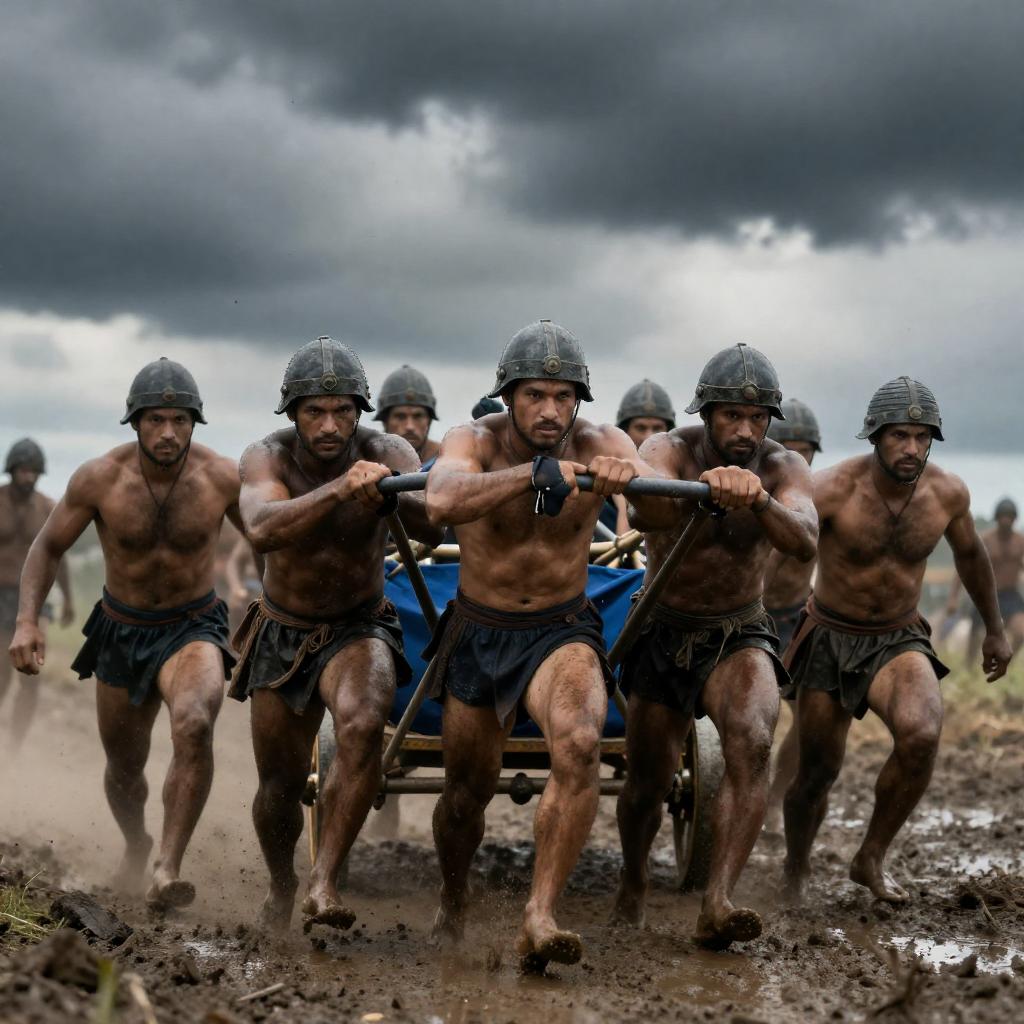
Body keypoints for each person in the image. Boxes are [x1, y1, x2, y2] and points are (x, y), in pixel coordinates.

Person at [424, 319, 653, 971]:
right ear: (509, 397)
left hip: (562, 629)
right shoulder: (472, 438)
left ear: (579, 400)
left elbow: (661, 510)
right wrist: (533, 474)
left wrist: (630, 481)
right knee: (465, 794)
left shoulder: (602, 440)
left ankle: (541, 915)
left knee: (580, 744)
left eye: (563, 396)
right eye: (534, 396)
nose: (550, 410)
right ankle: (453, 899)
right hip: (479, 630)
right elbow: (440, 500)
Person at [9, 359, 239, 909]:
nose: (168, 432)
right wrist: (27, 620)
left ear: (195, 422)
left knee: (194, 722)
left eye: (180, 420)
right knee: (124, 769)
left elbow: (271, 544)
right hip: (122, 629)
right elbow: (47, 547)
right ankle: (137, 842)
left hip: (194, 625)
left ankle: (168, 867)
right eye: (155, 419)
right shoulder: (99, 479)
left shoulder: (222, 478)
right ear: (135, 422)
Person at [231, 336, 442, 931]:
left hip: (360, 625)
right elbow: (261, 527)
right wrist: (340, 489)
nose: (329, 425)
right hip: (283, 628)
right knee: (279, 784)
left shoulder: (388, 449)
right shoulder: (265, 457)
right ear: (292, 413)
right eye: (314, 412)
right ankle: (282, 884)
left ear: (360, 411)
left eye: (342, 411)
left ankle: (324, 881)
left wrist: (391, 496)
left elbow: (433, 524)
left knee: (363, 724)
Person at [613, 343, 817, 950]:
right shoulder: (667, 449)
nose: (745, 430)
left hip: (739, 629)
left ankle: (719, 900)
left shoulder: (783, 467)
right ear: (706, 414)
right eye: (732, 416)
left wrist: (758, 499)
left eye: (757, 418)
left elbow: (804, 539)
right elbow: (645, 511)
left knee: (753, 742)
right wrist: (698, 488)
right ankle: (633, 879)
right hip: (662, 625)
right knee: (647, 783)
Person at [783, 377, 1011, 904]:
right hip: (831, 633)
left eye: (922, 436)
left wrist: (995, 629)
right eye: (899, 436)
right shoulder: (831, 488)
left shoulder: (947, 493)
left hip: (897, 636)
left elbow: (971, 556)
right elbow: (778, 551)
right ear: (875, 436)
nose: (911, 447)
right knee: (817, 772)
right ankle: (795, 869)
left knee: (922, 734)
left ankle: (871, 856)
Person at [761, 399, 822, 833]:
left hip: (798, 618)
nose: (798, 458)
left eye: (806, 450)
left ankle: (773, 801)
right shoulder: (747, 492)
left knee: (809, 719)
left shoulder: (818, 499)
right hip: (752, 618)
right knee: (752, 717)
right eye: (789, 449)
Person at [0, 439, 74, 749]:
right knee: (1, 674)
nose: (28, 476)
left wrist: (68, 599)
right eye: (23, 470)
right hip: (0, 594)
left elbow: (59, 555)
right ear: (12, 470)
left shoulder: (47, 508)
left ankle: (15, 746)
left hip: (34, 598)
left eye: (33, 471)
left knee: (30, 672)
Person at [945, 497, 1024, 660]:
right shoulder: (986, 540)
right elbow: (965, 566)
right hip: (987, 595)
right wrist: (953, 597)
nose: (1006, 520)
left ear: (1014, 518)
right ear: (997, 518)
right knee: (976, 636)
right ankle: (969, 667)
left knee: (1021, 632)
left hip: (1010, 595)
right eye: (1003, 516)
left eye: (1009, 516)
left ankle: (1005, 664)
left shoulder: (1020, 542)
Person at [607, 380, 677, 535]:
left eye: (657, 428)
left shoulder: (680, 474)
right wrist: (623, 503)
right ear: (625, 431)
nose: (649, 437)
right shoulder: (604, 480)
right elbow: (624, 545)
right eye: (640, 428)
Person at [375, 365, 440, 466]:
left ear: (429, 421)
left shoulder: (448, 458)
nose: (410, 426)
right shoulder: (366, 461)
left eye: (418, 416)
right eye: (400, 417)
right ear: (385, 421)